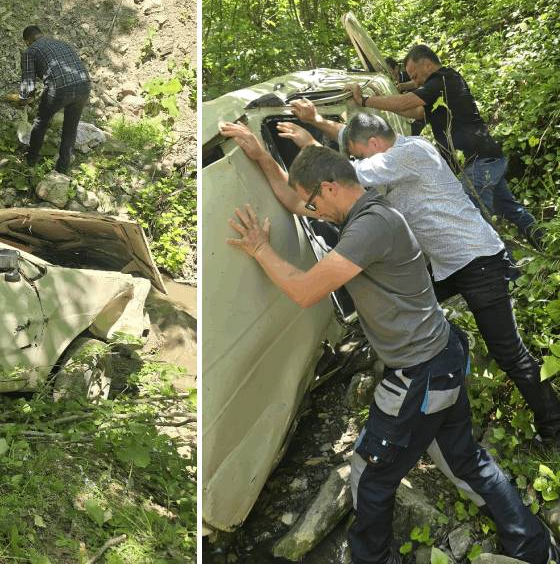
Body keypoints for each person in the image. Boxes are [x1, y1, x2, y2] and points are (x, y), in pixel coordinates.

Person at [224, 145, 557, 564]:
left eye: (314, 203)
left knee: (371, 473)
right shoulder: (367, 210)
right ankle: (533, 545)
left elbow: (306, 290)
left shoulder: (370, 227)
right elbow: (293, 199)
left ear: (329, 187)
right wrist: (259, 155)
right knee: (465, 459)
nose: (312, 212)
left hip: (419, 374)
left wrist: (259, 249)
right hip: (442, 357)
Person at [225, 102, 560, 449]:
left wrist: (309, 142)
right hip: (449, 265)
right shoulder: (383, 170)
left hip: (477, 260)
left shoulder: (412, 151)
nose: (358, 160)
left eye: (359, 154)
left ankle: (553, 427)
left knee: (509, 351)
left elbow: (337, 174)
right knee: (406, 300)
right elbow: (309, 196)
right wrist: (266, 156)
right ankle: (449, 364)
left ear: (373, 145)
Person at [349, 45, 543, 248]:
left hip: (480, 162)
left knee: (473, 222)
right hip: (486, 158)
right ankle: (546, 245)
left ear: (427, 64)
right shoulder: (440, 89)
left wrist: (365, 101)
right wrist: (392, 97)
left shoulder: (443, 78)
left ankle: (501, 270)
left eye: (415, 76)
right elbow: (416, 113)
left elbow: (406, 102)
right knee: (512, 210)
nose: (414, 82)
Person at [16, 25, 91, 174]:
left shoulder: (30, 51)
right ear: (41, 34)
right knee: (70, 128)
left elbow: (28, 84)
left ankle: (31, 160)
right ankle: (62, 169)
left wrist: (23, 100)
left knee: (40, 122)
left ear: (27, 41)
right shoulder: (62, 43)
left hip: (60, 88)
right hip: (84, 84)